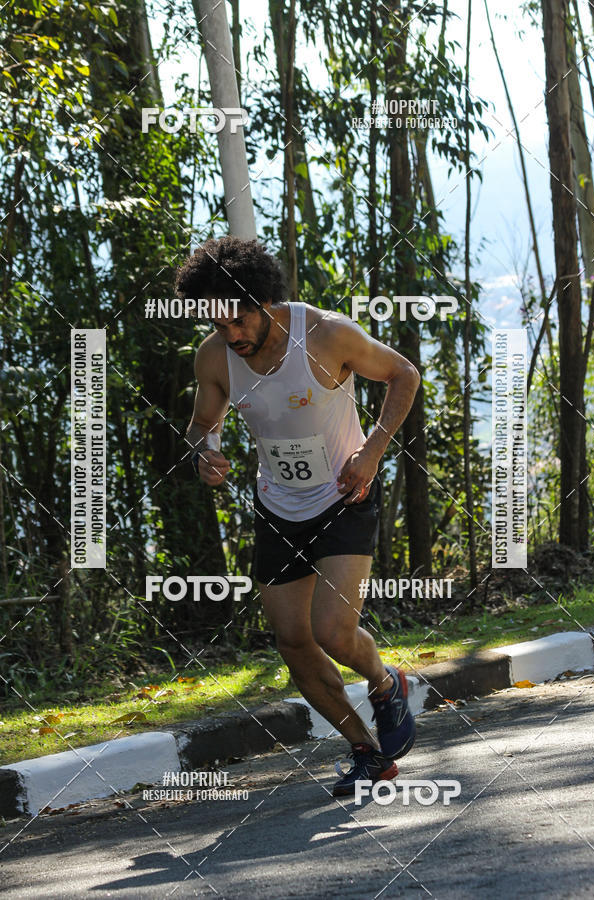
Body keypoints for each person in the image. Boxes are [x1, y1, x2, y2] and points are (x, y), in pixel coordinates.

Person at [177, 236, 420, 797]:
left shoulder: (327, 334)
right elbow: (200, 424)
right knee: (293, 642)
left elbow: (403, 374)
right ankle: (366, 751)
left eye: (240, 322)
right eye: (219, 326)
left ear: (265, 302)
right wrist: (204, 452)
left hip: (345, 493)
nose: (232, 335)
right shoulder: (214, 357)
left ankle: (385, 684)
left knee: (331, 630)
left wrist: (373, 449)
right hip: (278, 507)